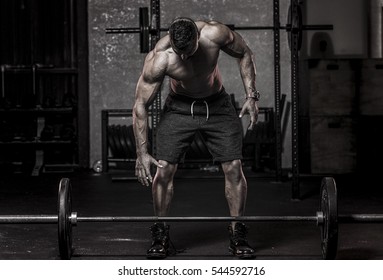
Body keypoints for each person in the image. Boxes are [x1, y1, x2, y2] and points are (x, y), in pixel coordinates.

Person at [132, 17, 260, 259]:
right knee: (164, 168)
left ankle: (237, 233)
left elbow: (245, 53)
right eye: (179, 53)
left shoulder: (215, 34)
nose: (183, 59)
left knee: (234, 167)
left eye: (188, 53)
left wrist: (251, 96)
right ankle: (160, 233)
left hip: (217, 105)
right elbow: (140, 104)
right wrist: (142, 153)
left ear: (198, 39)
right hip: (179, 108)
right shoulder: (161, 57)